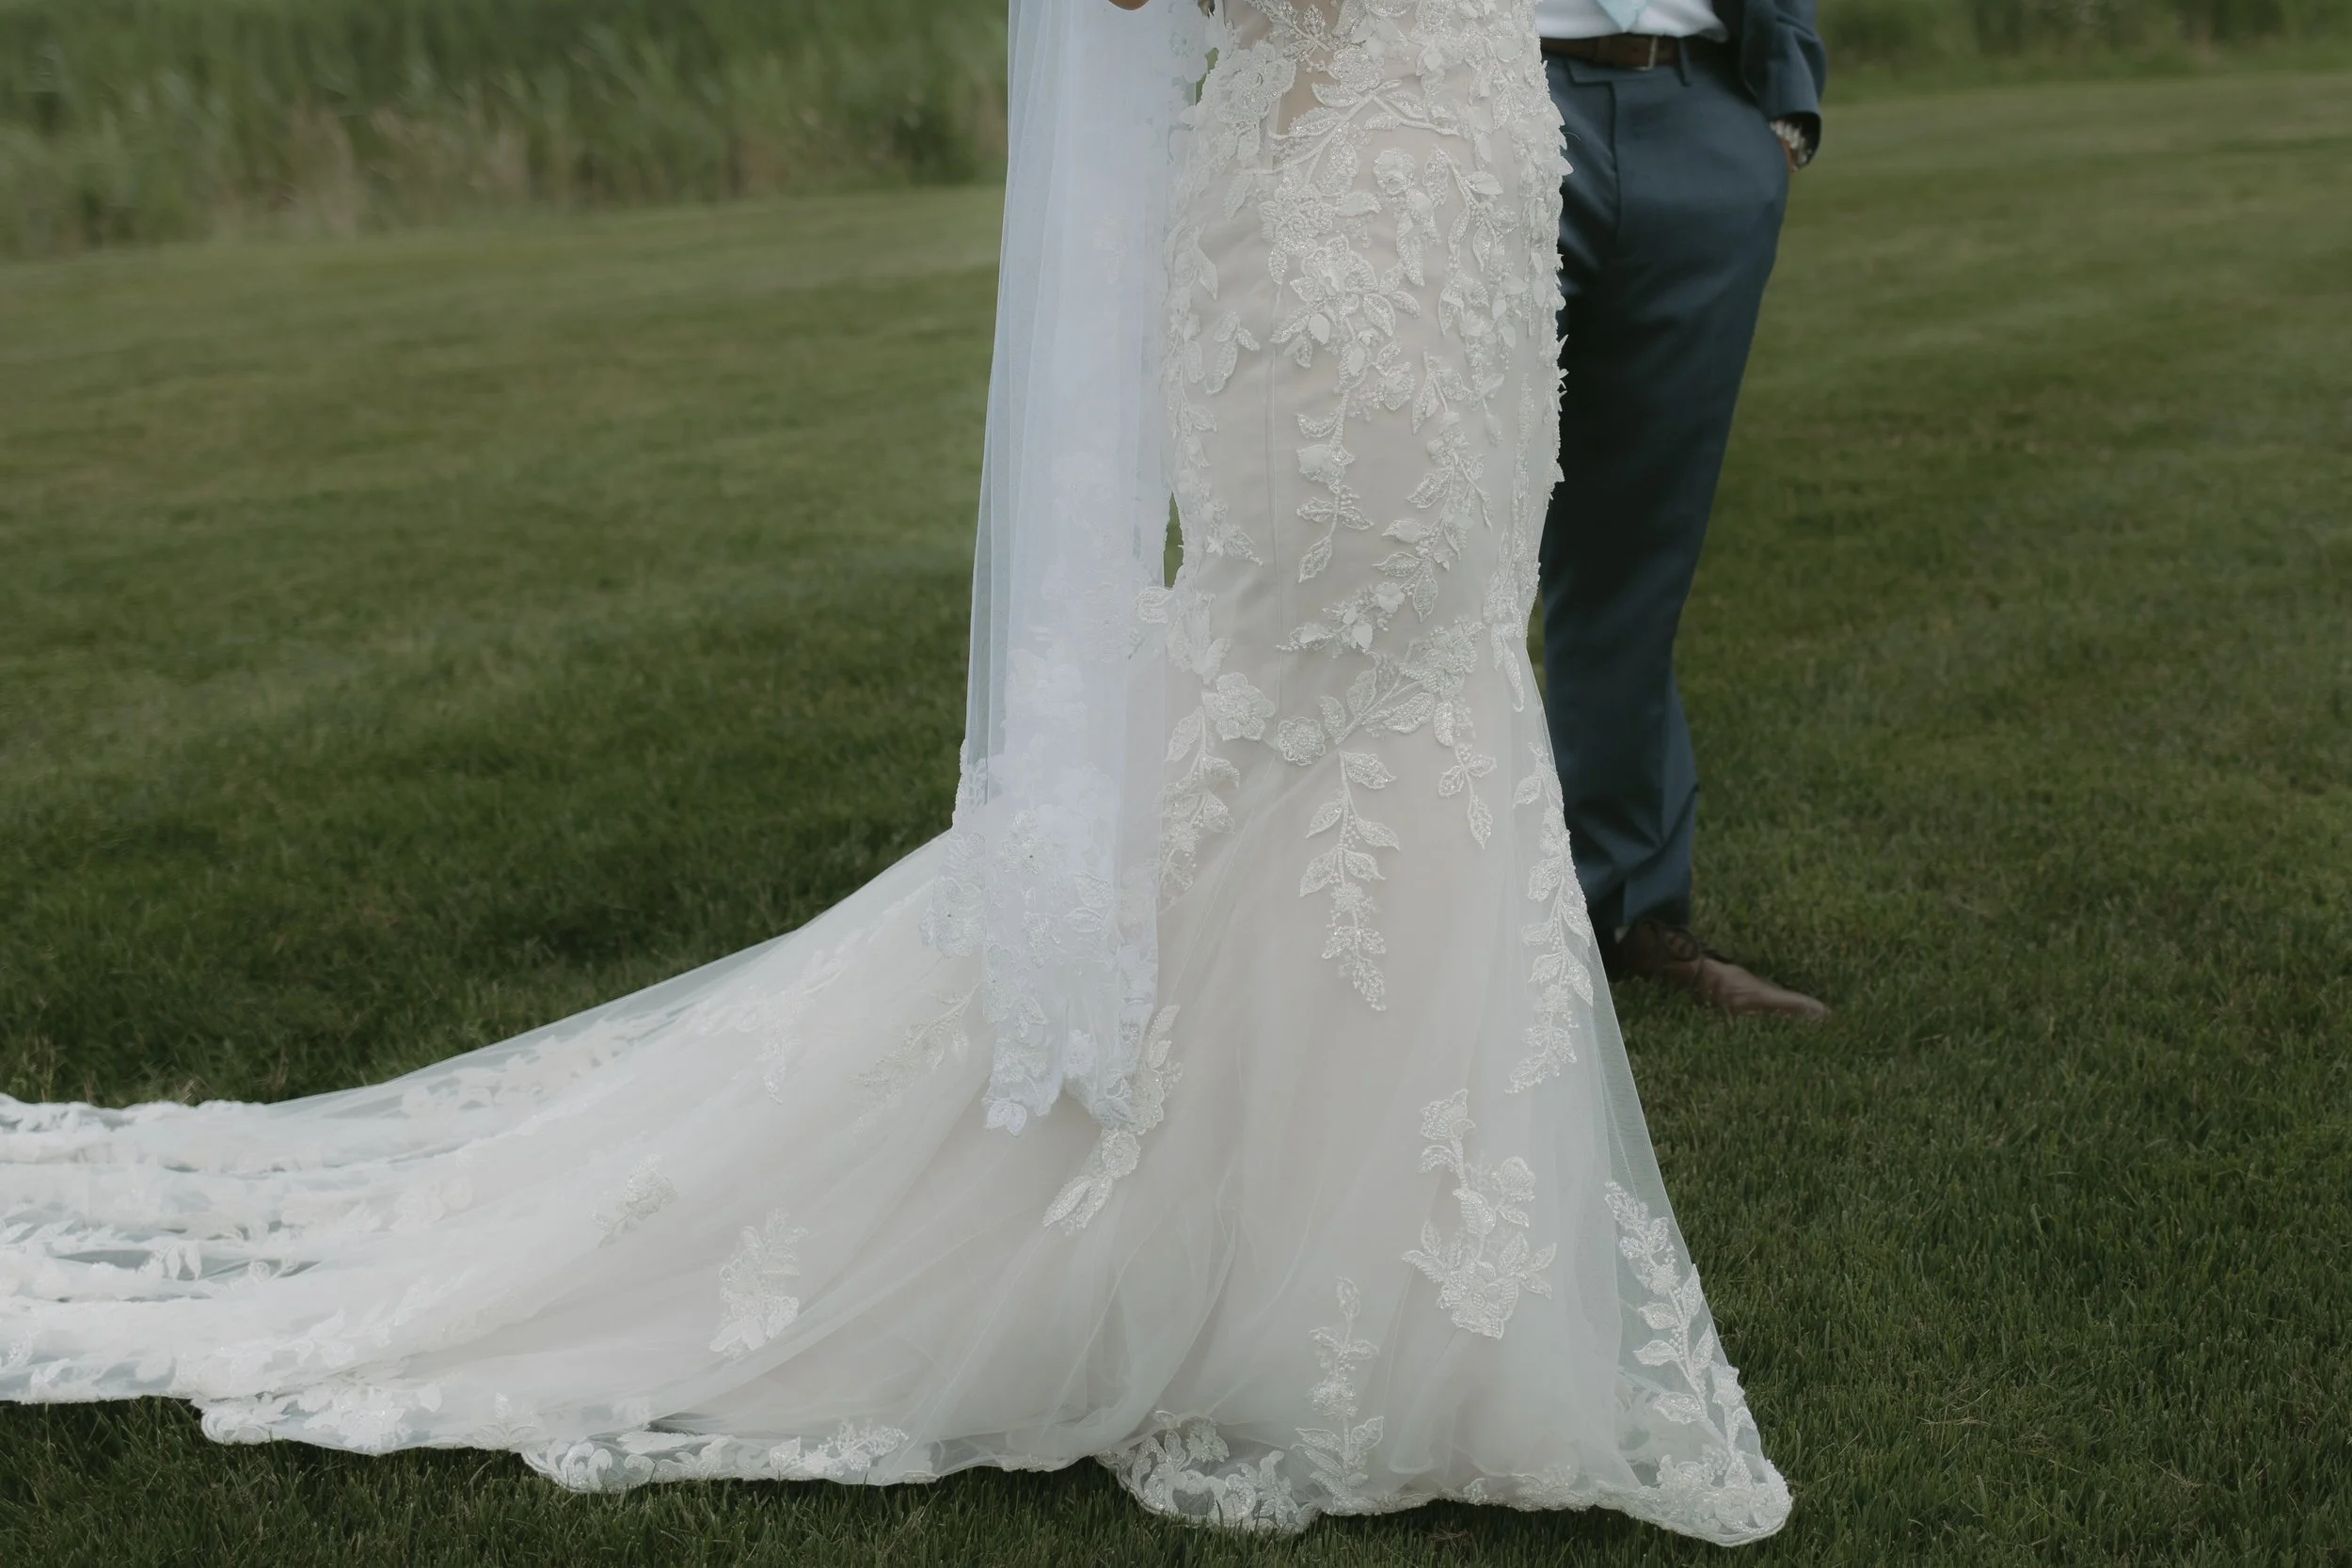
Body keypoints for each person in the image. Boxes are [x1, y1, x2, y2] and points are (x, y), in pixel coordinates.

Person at [0, 0, 1788, 1544]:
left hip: (1468, 154)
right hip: (1332, 197)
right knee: (1328, 683)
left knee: (1437, 678)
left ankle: (1395, 1290)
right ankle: (1280, 1284)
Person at [1534, 0, 1832, 1019]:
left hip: (1700, 112)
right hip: (1483, 104)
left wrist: (1782, 112)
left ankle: (1629, 909)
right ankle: (1426, 920)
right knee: (1429, 543)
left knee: (1636, 554)